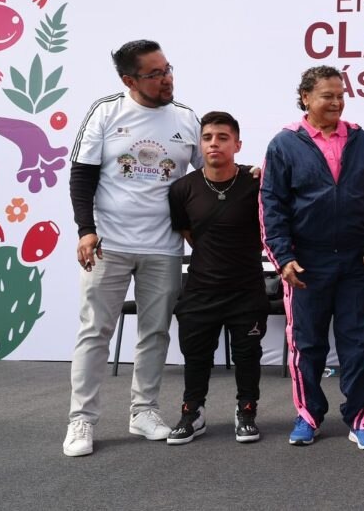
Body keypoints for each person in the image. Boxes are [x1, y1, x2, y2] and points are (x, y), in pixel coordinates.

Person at [63, 39, 201, 457]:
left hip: (164, 246)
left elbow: (209, 173)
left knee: (155, 332)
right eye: (154, 74)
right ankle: (81, 420)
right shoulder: (106, 112)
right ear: (129, 80)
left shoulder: (186, 118)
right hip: (109, 244)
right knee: (95, 332)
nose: (166, 79)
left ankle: (144, 411)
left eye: (167, 69)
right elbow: (82, 176)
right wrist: (85, 230)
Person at [259, 65, 364, 451]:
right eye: (327, 96)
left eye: (340, 96)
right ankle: (308, 416)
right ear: (306, 97)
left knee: (358, 343)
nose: (336, 102)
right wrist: (283, 257)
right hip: (306, 263)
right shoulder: (284, 144)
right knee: (307, 344)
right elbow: (271, 205)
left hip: (357, 261)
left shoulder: (361, 140)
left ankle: (360, 418)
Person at [165, 111, 269, 445]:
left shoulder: (257, 182)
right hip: (201, 289)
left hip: (246, 288)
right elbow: (188, 233)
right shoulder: (182, 189)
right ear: (199, 144)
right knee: (196, 355)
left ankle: (246, 411)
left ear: (237, 144)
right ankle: (192, 412)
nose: (214, 144)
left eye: (223, 138)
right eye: (208, 137)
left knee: (247, 355)